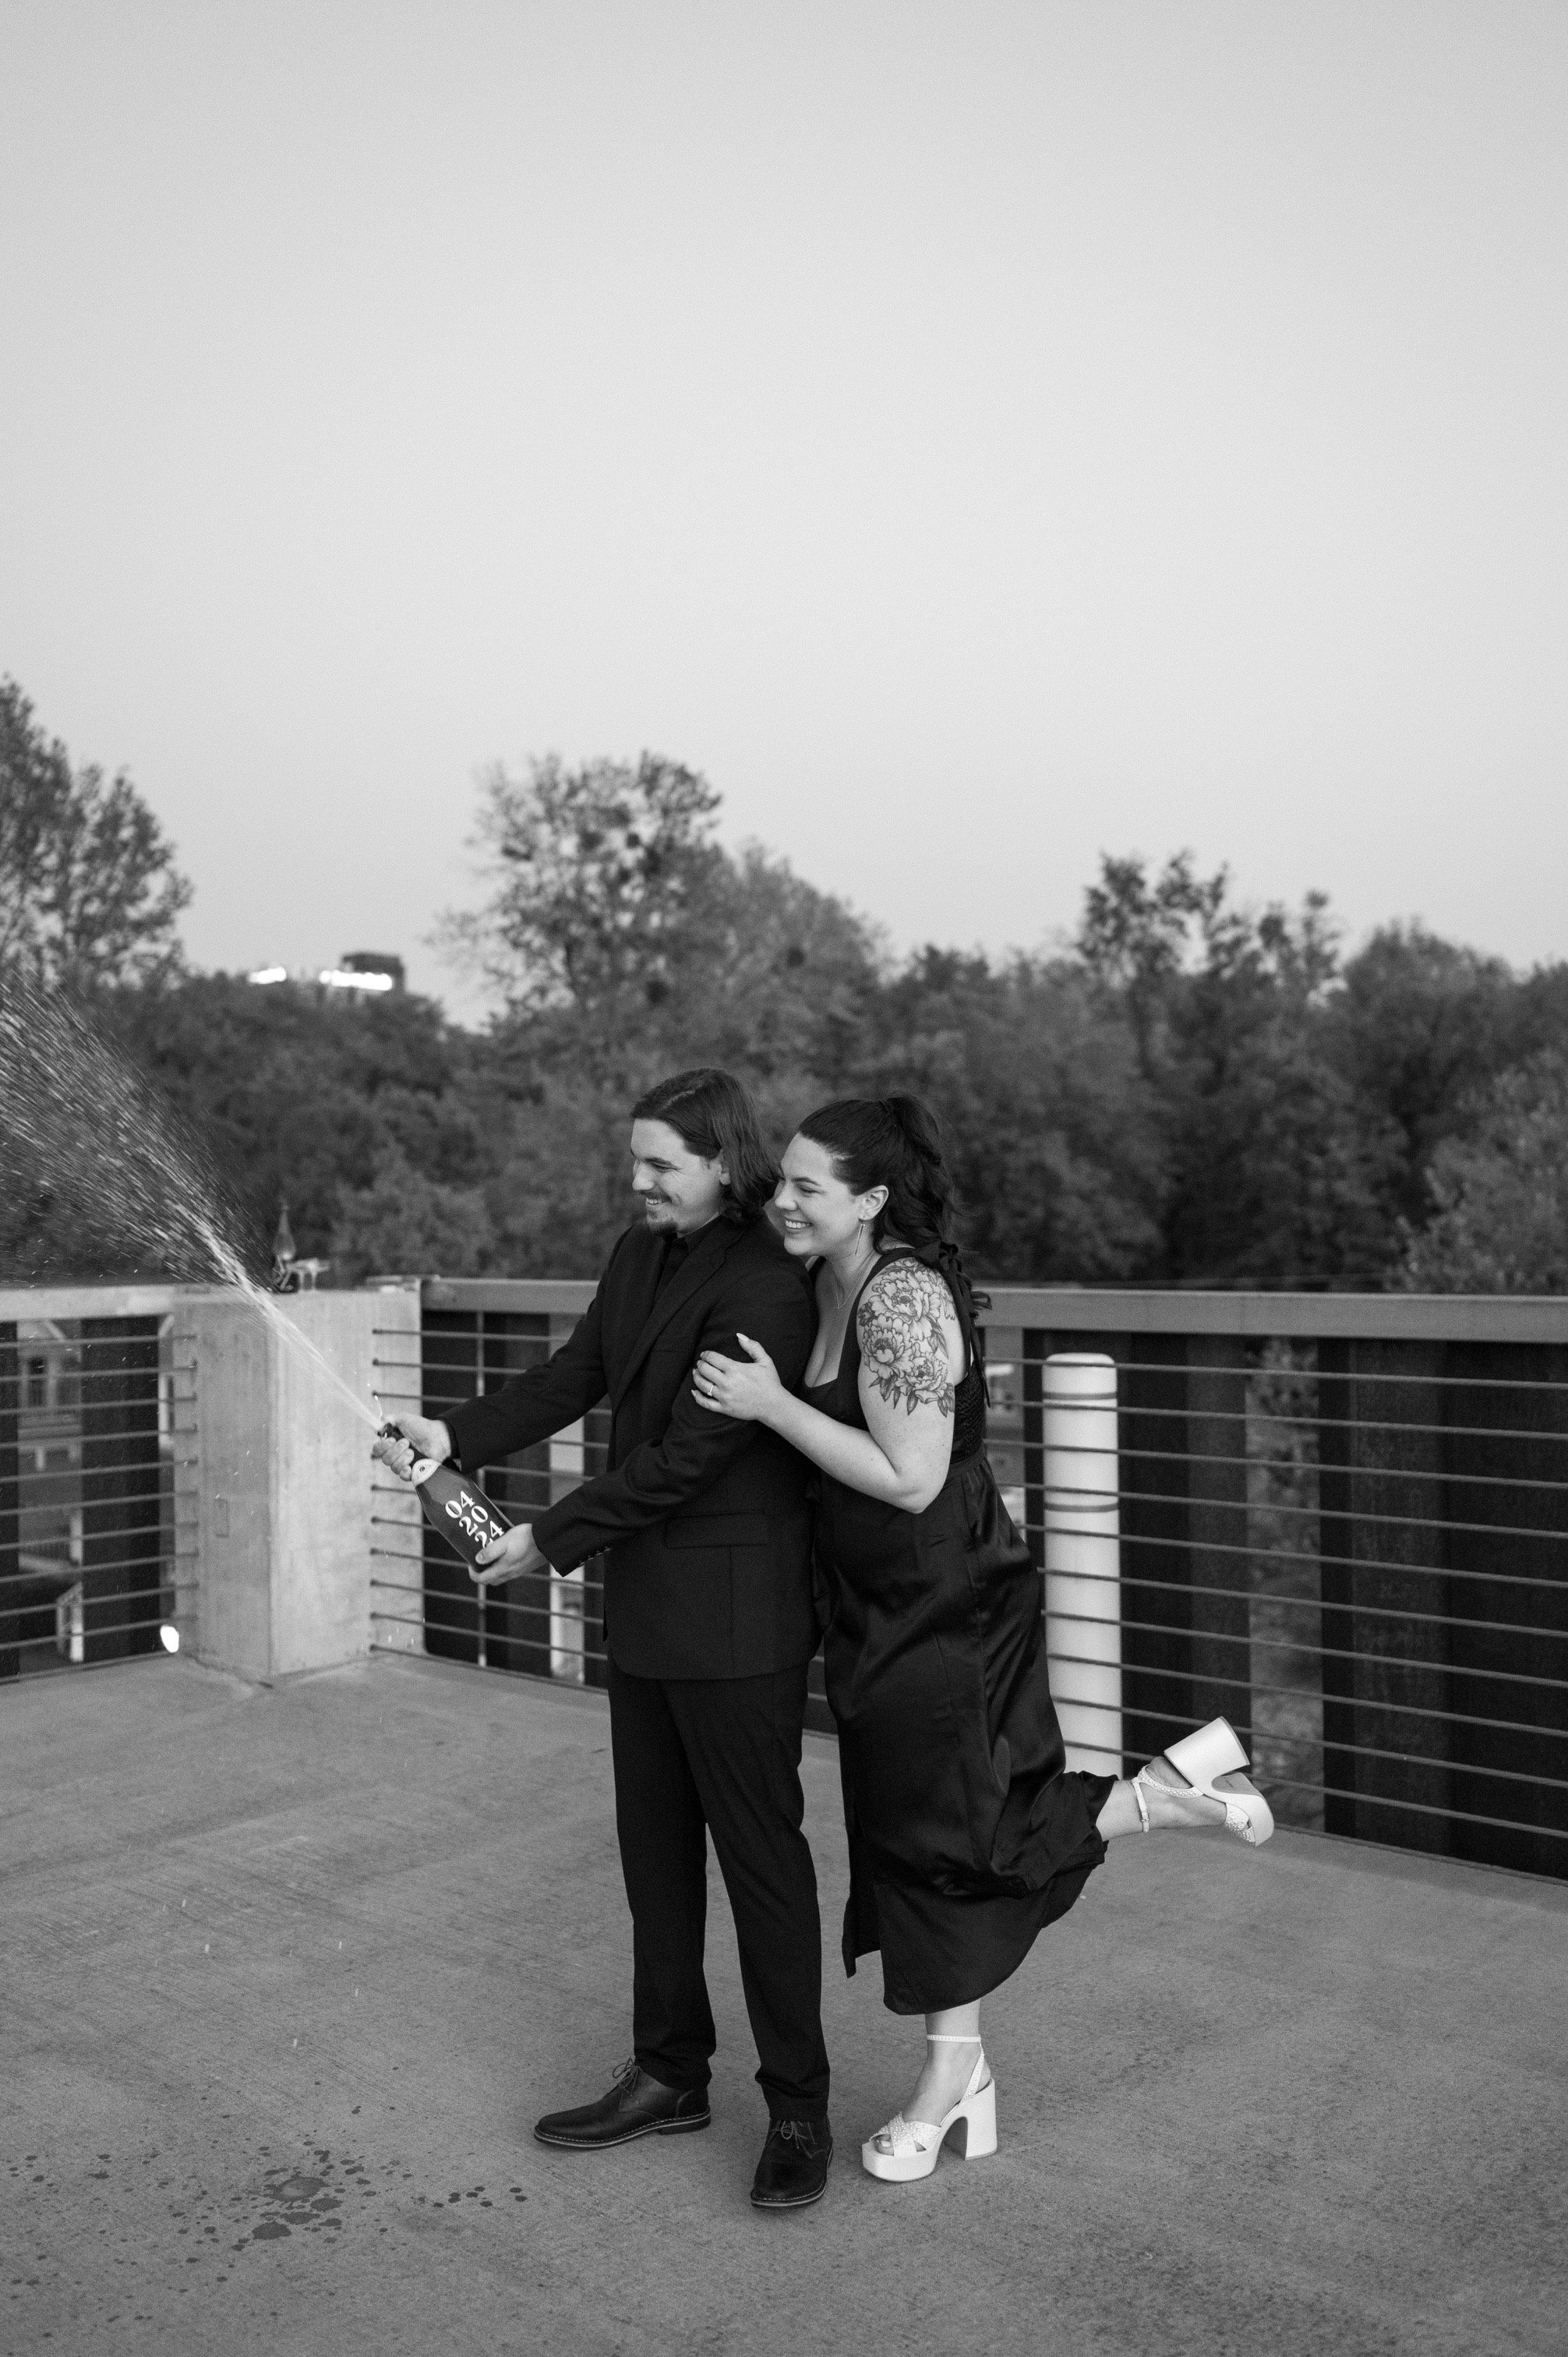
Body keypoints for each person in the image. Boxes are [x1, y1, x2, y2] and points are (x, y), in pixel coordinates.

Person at [693, 1093, 1273, 2185]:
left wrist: (771, 1406)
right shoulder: (825, 1273)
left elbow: (911, 1478)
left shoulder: (902, 1298)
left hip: (943, 1592)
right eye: (783, 1178)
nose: (785, 1198)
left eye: (810, 1185)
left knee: (960, 1834)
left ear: (870, 1199)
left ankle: (1164, 1799)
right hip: (873, 1603)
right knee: (918, 1833)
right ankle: (962, 2075)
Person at [373, 1068, 835, 2211]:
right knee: (656, 1857)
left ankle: (798, 2108)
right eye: (635, 1161)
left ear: (725, 1164)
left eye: (660, 1165)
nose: (637, 1182)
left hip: (739, 1626)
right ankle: (671, 2073)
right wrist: (456, 1429)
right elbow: (577, 1374)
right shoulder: (641, 1256)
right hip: (649, 1612)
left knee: (763, 1869)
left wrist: (548, 1541)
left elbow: (689, 1457)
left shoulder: (774, 1282)